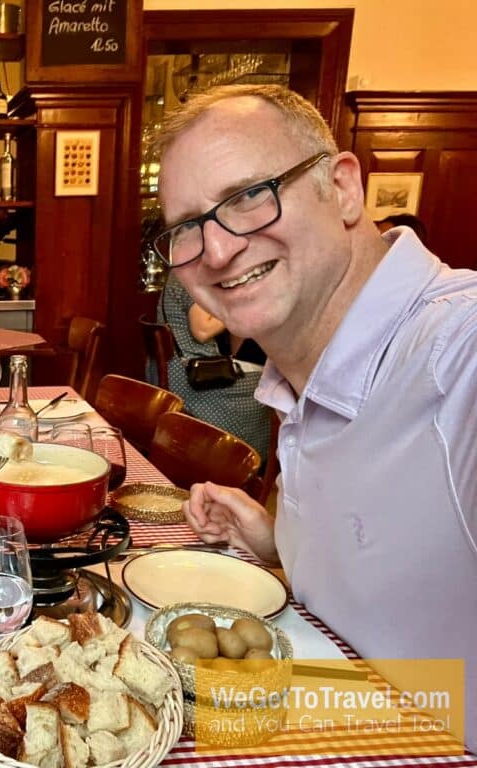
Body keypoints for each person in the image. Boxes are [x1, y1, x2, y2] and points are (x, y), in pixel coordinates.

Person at [151, 84, 476, 751]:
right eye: (187, 227)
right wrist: (281, 544)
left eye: (247, 195)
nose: (215, 252)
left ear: (345, 188)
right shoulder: (296, 379)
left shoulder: (460, 356)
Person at [153, 271, 272, 460]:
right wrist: (244, 306)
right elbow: (202, 329)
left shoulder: (178, 275)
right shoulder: (190, 276)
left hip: (175, 372)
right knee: (269, 384)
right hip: (192, 381)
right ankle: (243, 462)